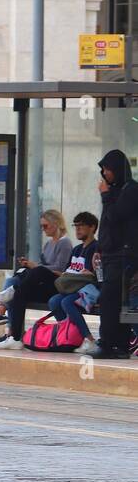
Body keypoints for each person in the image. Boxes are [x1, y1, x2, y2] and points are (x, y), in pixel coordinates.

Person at [0, 210, 73, 347]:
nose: (43, 229)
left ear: (56, 224)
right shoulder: (48, 244)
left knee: (37, 270)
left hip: (56, 283)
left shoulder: (64, 243)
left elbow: (60, 268)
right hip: (43, 282)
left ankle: (11, 291)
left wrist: (36, 266)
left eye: (45, 226)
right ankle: (14, 338)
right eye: (41, 226)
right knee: (19, 292)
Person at [94, 149, 138, 358]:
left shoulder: (130, 190)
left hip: (124, 255)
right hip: (110, 255)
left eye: (107, 169)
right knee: (117, 301)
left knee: (112, 300)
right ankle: (120, 345)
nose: (104, 174)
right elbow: (106, 225)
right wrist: (99, 249)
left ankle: (110, 343)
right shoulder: (114, 191)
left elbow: (116, 217)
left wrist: (105, 196)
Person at [43, 212, 101, 357]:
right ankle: (71, 335)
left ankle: (89, 339)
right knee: (54, 301)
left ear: (92, 227)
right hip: (73, 287)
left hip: (89, 290)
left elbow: (96, 275)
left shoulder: (97, 248)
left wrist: (90, 273)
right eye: (76, 226)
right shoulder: (76, 249)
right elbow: (68, 270)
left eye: (81, 226)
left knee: (67, 302)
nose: (78, 229)